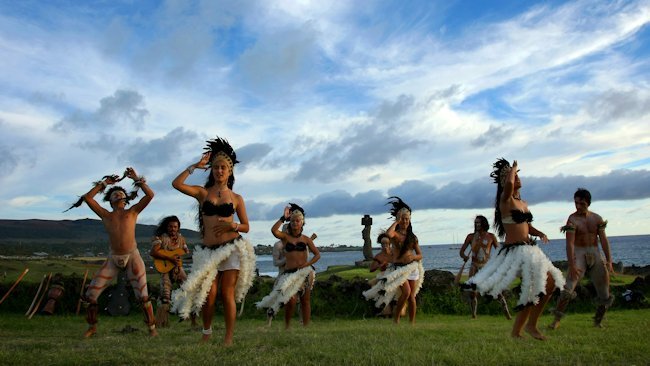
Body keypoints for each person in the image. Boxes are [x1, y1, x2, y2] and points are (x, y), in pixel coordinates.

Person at [463, 159, 565, 340]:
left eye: (518, 174)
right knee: (541, 284)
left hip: (530, 248)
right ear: (506, 181)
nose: (516, 178)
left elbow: (526, 226)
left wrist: (540, 233)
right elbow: (509, 183)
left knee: (547, 285)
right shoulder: (506, 200)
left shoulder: (523, 203)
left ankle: (519, 330)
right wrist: (513, 168)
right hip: (515, 252)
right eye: (514, 175)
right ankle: (528, 327)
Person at [170, 137, 256, 346]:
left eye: (223, 168)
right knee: (209, 294)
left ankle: (228, 337)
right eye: (216, 167)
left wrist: (232, 226)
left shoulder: (236, 198)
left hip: (231, 249)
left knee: (227, 294)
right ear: (212, 170)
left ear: (230, 171)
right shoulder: (202, 193)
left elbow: (246, 225)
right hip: (209, 251)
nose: (219, 171)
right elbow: (176, 184)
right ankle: (206, 333)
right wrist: (194, 166)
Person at [75, 167, 157, 338]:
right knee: (91, 295)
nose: (118, 195)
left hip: (132, 255)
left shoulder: (132, 212)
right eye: (115, 194)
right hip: (113, 257)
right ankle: (92, 327)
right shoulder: (105, 215)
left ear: (125, 199)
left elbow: (150, 195)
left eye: (121, 193)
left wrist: (136, 178)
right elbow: (88, 198)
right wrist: (104, 183)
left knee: (143, 296)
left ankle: (152, 328)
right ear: (110, 199)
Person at [549, 188, 614, 329]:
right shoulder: (572, 219)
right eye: (576, 203)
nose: (578, 206)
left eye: (581, 203)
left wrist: (609, 260)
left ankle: (598, 321)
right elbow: (570, 244)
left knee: (604, 292)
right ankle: (556, 321)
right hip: (579, 253)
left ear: (588, 203)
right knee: (568, 288)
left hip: (595, 252)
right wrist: (572, 266)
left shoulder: (597, 218)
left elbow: (603, 240)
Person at [257, 204, 321, 329]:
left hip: (304, 273)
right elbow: (274, 231)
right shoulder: (285, 238)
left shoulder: (306, 239)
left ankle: (306, 327)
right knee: (290, 300)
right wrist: (283, 218)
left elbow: (317, 255)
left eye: (297, 221)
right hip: (289, 273)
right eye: (292, 221)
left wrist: (307, 264)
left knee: (305, 301)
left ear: (302, 223)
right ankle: (287, 326)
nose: (295, 223)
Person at [363, 197, 424, 324]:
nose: (405, 221)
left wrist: (413, 257)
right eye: (403, 219)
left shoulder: (412, 237)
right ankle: (396, 320)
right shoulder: (395, 235)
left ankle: (412, 323)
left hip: (411, 268)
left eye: (407, 219)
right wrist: (396, 222)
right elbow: (388, 234)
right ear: (399, 219)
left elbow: (419, 255)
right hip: (399, 269)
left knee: (412, 297)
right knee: (406, 293)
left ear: (410, 220)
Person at [459, 215, 511, 319]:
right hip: (474, 266)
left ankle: (507, 314)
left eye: (479, 223)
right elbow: (461, 252)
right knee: (473, 293)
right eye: (476, 223)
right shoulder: (470, 236)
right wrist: (465, 257)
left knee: (497, 290)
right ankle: (473, 315)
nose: (477, 225)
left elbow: (498, 251)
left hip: (487, 267)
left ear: (484, 224)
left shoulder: (491, 236)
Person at [149, 215, 197, 328]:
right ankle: (162, 323)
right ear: (166, 227)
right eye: (170, 227)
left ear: (178, 228)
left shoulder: (182, 239)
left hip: (178, 269)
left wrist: (185, 253)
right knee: (165, 296)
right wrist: (170, 258)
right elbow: (153, 252)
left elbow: (185, 252)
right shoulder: (160, 238)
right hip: (165, 269)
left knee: (190, 290)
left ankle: (193, 321)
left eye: (175, 227)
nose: (173, 229)